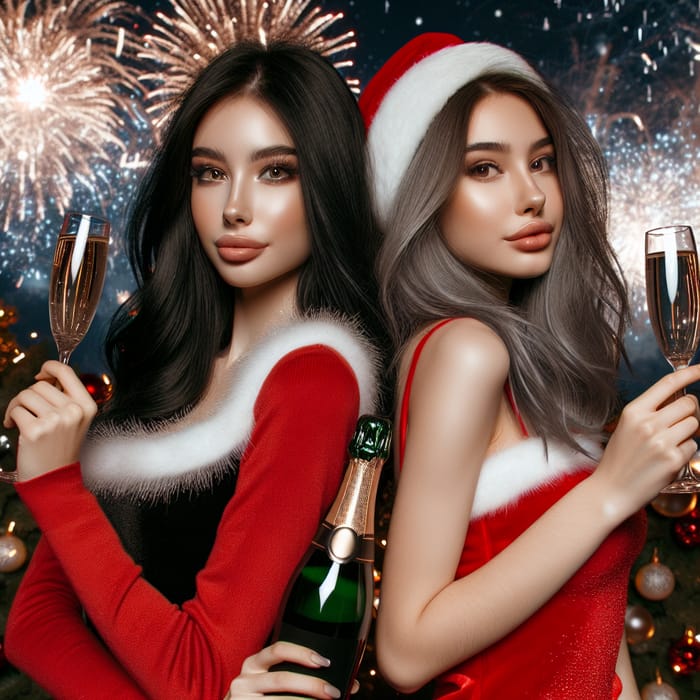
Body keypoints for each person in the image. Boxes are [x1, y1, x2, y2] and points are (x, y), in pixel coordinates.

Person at [4, 40, 384, 700]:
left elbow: (202, 672)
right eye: (210, 172)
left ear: (328, 183)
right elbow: (32, 625)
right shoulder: (172, 368)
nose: (234, 207)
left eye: (276, 172)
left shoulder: (315, 381)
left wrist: (60, 489)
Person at [358, 32, 700, 700]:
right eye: (484, 169)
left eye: (542, 163)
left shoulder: (523, 364)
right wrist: (608, 494)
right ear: (423, 193)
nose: (532, 195)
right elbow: (403, 648)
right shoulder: (463, 352)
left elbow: (591, 627)